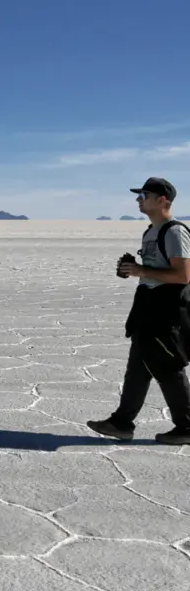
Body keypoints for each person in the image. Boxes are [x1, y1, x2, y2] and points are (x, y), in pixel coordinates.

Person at [88, 177, 190, 445]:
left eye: (144, 194)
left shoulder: (174, 232)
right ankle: (122, 423)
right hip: (147, 309)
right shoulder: (150, 232)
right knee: (138, 368)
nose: (138, 199)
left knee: (168, 368)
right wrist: (133, 270)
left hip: (165, 312)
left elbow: (182, 275)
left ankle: (187, 426)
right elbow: (157, 272)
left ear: (162, 199)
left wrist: (142, 270)